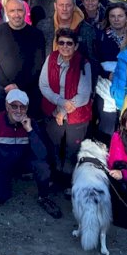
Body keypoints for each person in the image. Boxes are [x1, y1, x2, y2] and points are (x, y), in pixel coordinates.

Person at [0, 89, 61, 218]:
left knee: (42, 166)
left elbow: (42, 153)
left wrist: (30, 131)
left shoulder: (30, 123)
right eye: (14, 106)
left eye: (22, 107)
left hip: (21, 162)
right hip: (0, 164)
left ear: (27, 108)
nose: (18, 110)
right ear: (7, 106)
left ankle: (44, 197)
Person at [39, 27, 93, 186]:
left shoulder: (84, 63)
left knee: (72, 151)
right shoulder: (51, 59)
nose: (65, 46)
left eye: (69, 43)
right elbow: (43, 85)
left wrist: (62, 111)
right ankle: (55, 178)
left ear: (76, 46)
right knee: (53, 147)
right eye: (61, 42)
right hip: (53, 109)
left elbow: (84, 95)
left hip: (77, 114)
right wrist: (61, 104)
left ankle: (70, 182)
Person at [0, 0, 45, 113]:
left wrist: (19, 86)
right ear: (6, 12)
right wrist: (8, 85)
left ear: (25, 12)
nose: (16, 14)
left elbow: (38, 64)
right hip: (2, 87)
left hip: (28, 87)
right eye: (12, 11)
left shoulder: (36, 34)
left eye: (19, 10)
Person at [93, 3, 127, 139]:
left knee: (126, 124)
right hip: (105, 86)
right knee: (107, 124)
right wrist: (107, 74)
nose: (116, 19)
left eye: (120, 16)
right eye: (112, 16)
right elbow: (93, 61)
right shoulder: (101, 36)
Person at [39, 0, 98, 64]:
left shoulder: (87, 30)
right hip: (47, 71)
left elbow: (92, 59)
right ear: (55, 6)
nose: (64, 8)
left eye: (68, 5)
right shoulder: (43, 26)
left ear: (74, 7)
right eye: (61, 5)